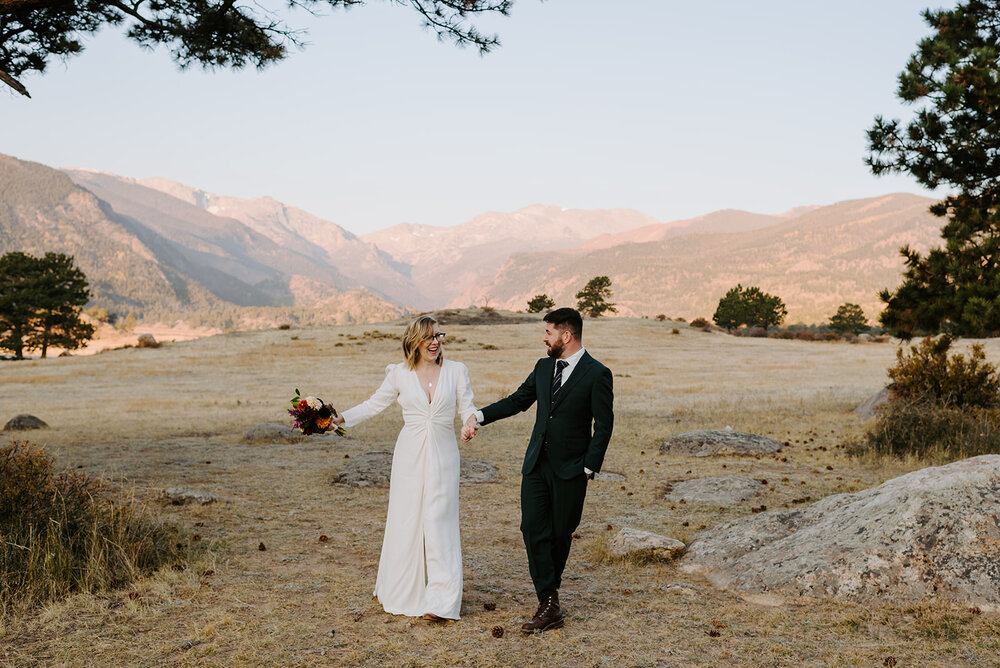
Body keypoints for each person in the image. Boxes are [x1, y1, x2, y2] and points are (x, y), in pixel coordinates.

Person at [461, 307, 614, 633]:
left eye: (548, 333)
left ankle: (549, 601)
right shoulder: (544, 367)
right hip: (535, 465)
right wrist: (479, 416)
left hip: (572, 470)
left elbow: (604, 425)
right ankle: (549, 601)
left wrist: (589, 467)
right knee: (532, 529)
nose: (544, 338)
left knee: (560, 534)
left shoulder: (598, 373)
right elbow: (518, 400)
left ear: (566, 336)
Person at [332, 315, 476, 621]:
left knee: (440, 521)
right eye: (428, 337)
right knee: (407, 519)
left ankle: (441, 600)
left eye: (439, 335)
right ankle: (403, 590)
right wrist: (340, 418)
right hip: (409, 454)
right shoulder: (399, 374)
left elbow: (468, 407)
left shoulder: (456, 371)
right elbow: (374, 404)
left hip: (444, 455)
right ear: (414, 341)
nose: (435, 342)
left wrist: (470, 422)